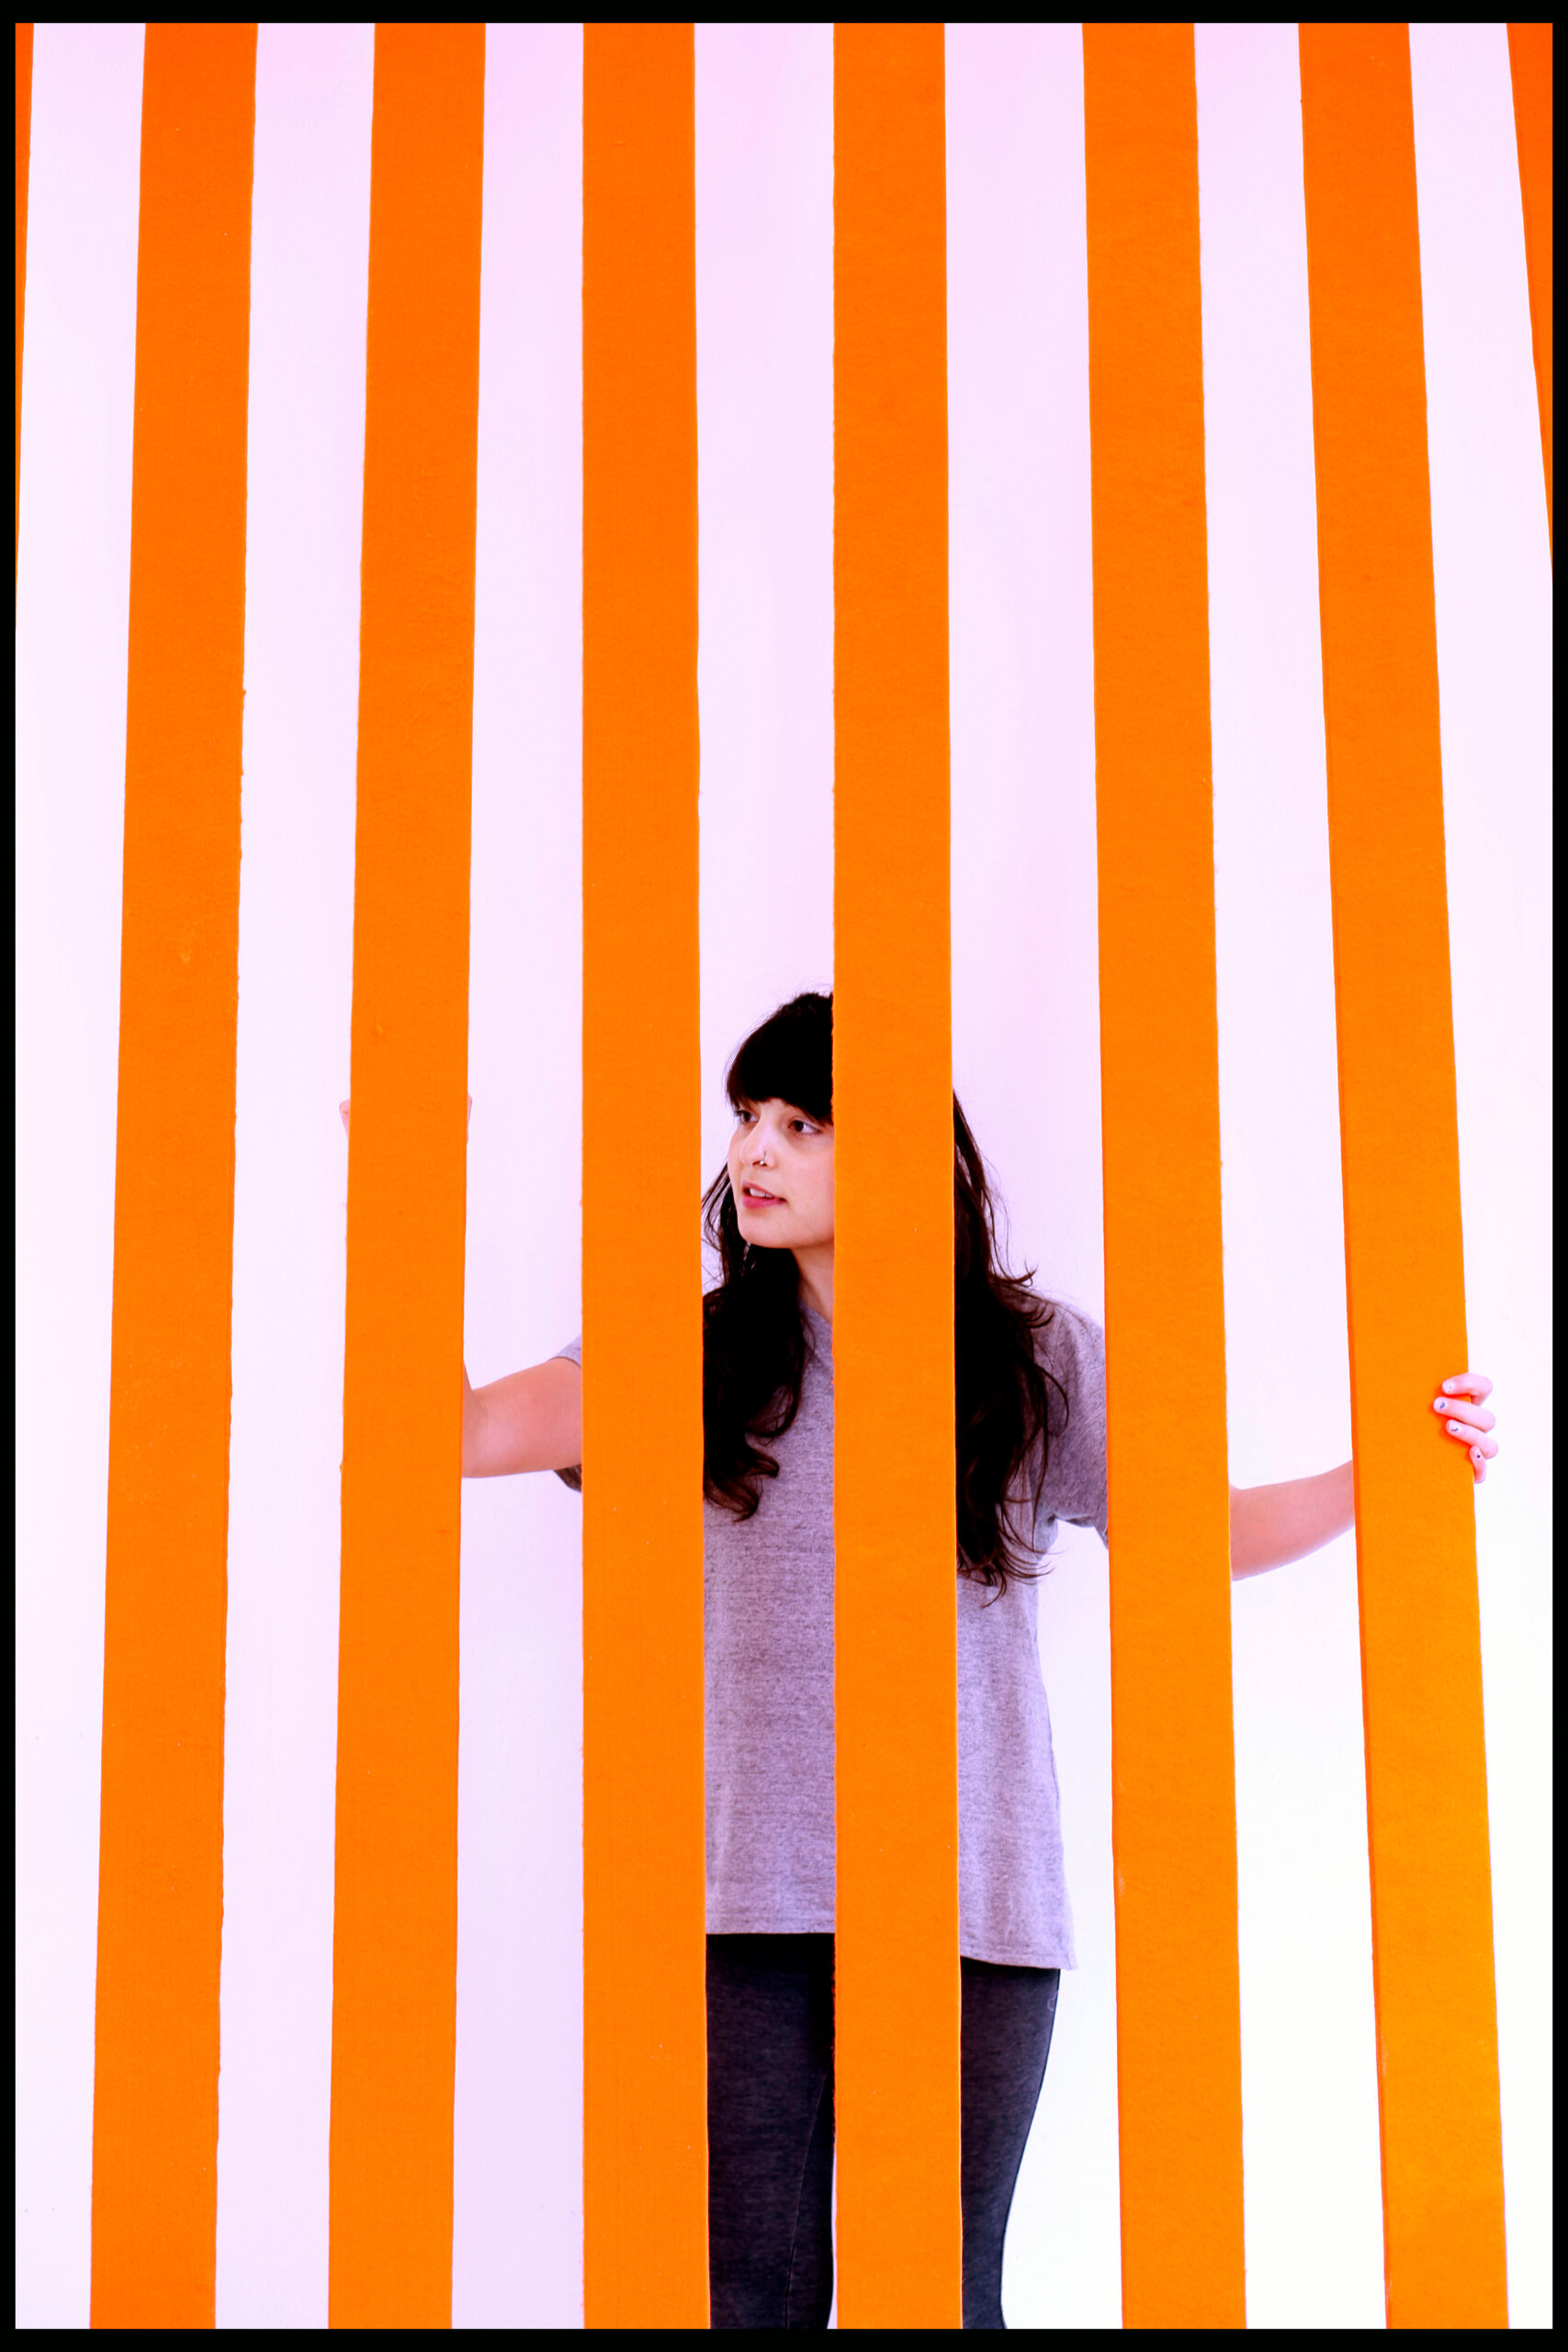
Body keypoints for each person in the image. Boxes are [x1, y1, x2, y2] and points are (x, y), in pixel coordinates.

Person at [344, 989, 1500, 2330]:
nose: (755, 1153)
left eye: (801, 1123)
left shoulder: (1028, 1355)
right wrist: (389, 1210)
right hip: (752, 1903)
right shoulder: (693, 1353)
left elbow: (1201, 1537)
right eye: (745, 1121)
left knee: (943, 2302)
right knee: (745, 2300)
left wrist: (1391, 1473)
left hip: (976, 1898)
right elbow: (473, 1431)